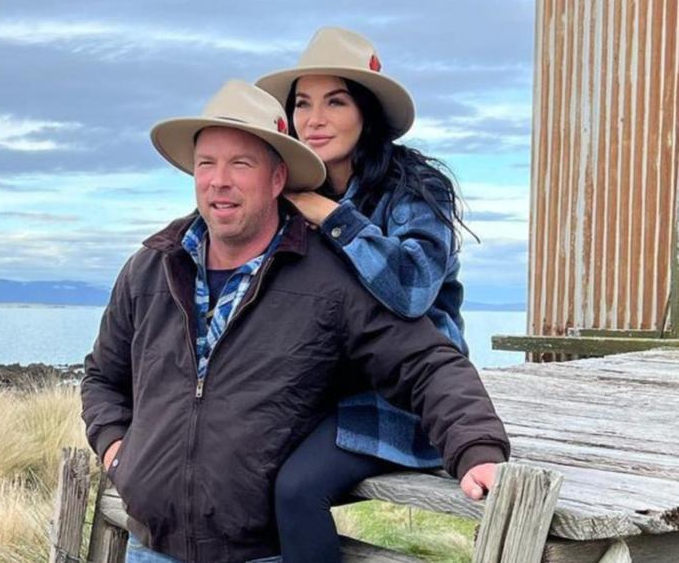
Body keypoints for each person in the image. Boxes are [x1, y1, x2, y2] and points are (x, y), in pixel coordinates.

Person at [81, 79, 509, 563]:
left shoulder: (332, 272)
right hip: (151, 546)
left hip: (256, 546)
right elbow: (102, 375)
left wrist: (476, 447)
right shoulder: (151, 268)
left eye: (241, 163)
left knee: (300, 486)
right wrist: (117, 449)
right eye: (207, 164)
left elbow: (426, 360)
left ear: (279, 179)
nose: (219, 180)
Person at [256, 27, 479, 562]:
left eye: (335, 101)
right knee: (239, 462)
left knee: (296, 489)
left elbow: (412, 289)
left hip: (402, 394)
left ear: (367, 112)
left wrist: (332, 218)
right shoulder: (287, 196)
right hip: (321, 386)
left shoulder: (414, 189)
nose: (315, 119)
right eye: (303, 103)